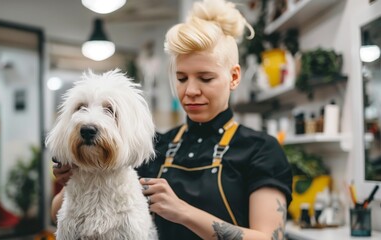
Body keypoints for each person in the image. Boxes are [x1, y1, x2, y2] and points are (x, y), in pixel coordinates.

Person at [51, 0, 292, 239]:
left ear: (234, 77)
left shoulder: (260, 150)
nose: (191, 91)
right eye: (182, 78)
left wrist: (183, 212)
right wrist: (77, 178)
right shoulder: (156, 146)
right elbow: (57, 213)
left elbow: (269, 238)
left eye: (205, 78)